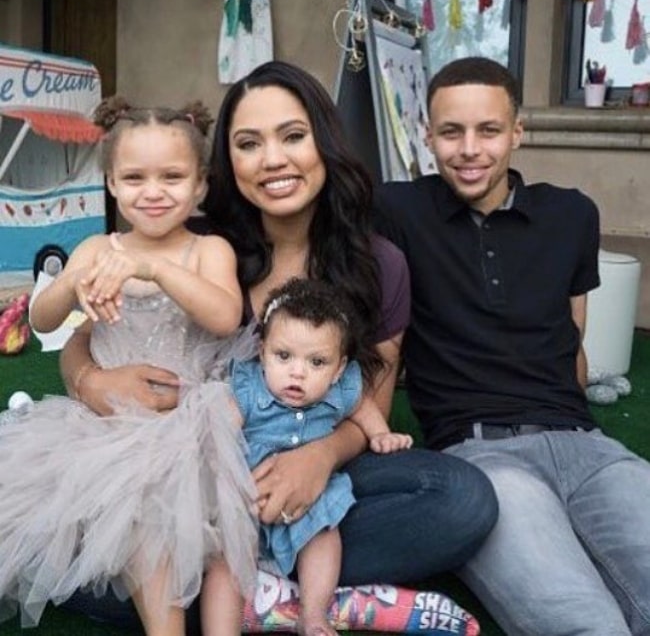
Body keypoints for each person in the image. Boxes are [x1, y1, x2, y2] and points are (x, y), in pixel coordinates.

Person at [59, 61, 498, 632]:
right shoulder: (200, 245)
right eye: (248, 143)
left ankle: (252, 587)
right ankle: (277, 589)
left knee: (460, 497)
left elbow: (371, 407)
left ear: (324, 142)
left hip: (314, 465)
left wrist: (313, 461)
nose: (272, 160)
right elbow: (81, 337)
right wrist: (93, 382)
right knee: (74, 551)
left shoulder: (378, 264)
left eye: (293, 136)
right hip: (185, 472)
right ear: (225, 163)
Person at [374, 56, 650, 635]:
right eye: (451, 132)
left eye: (489, 130)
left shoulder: (572, 214)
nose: (469, 148)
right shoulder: (397, 210)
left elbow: (573, 337)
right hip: (482, 457)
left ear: (517, 131)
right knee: (587, 625)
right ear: (427, 135)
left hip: (588, 449)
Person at [0, 96, 260, 636]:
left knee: (197, 519)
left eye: (172, 176)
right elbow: (47, 322)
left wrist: (154, 270)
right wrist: (72, 282)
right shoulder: (97, 248)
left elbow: (224, 315)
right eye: (135, 177)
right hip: (108, 426)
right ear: (113, 184)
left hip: (189, 421)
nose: (154, 191)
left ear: (200, 186)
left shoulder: (208, 250)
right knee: (137, 511)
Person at [210, 276, 413, 636]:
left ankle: (313, 614)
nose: (297, 372)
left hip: (310, 498)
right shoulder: (247, 384)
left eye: (317, 362)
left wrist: (381, 434)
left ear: (338, 369)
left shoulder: (342, 388)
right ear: (262, 354)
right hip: (249, 491)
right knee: (226, 556)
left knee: (324, 532)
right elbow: (223, 423)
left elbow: (362, 407)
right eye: (283, 356)